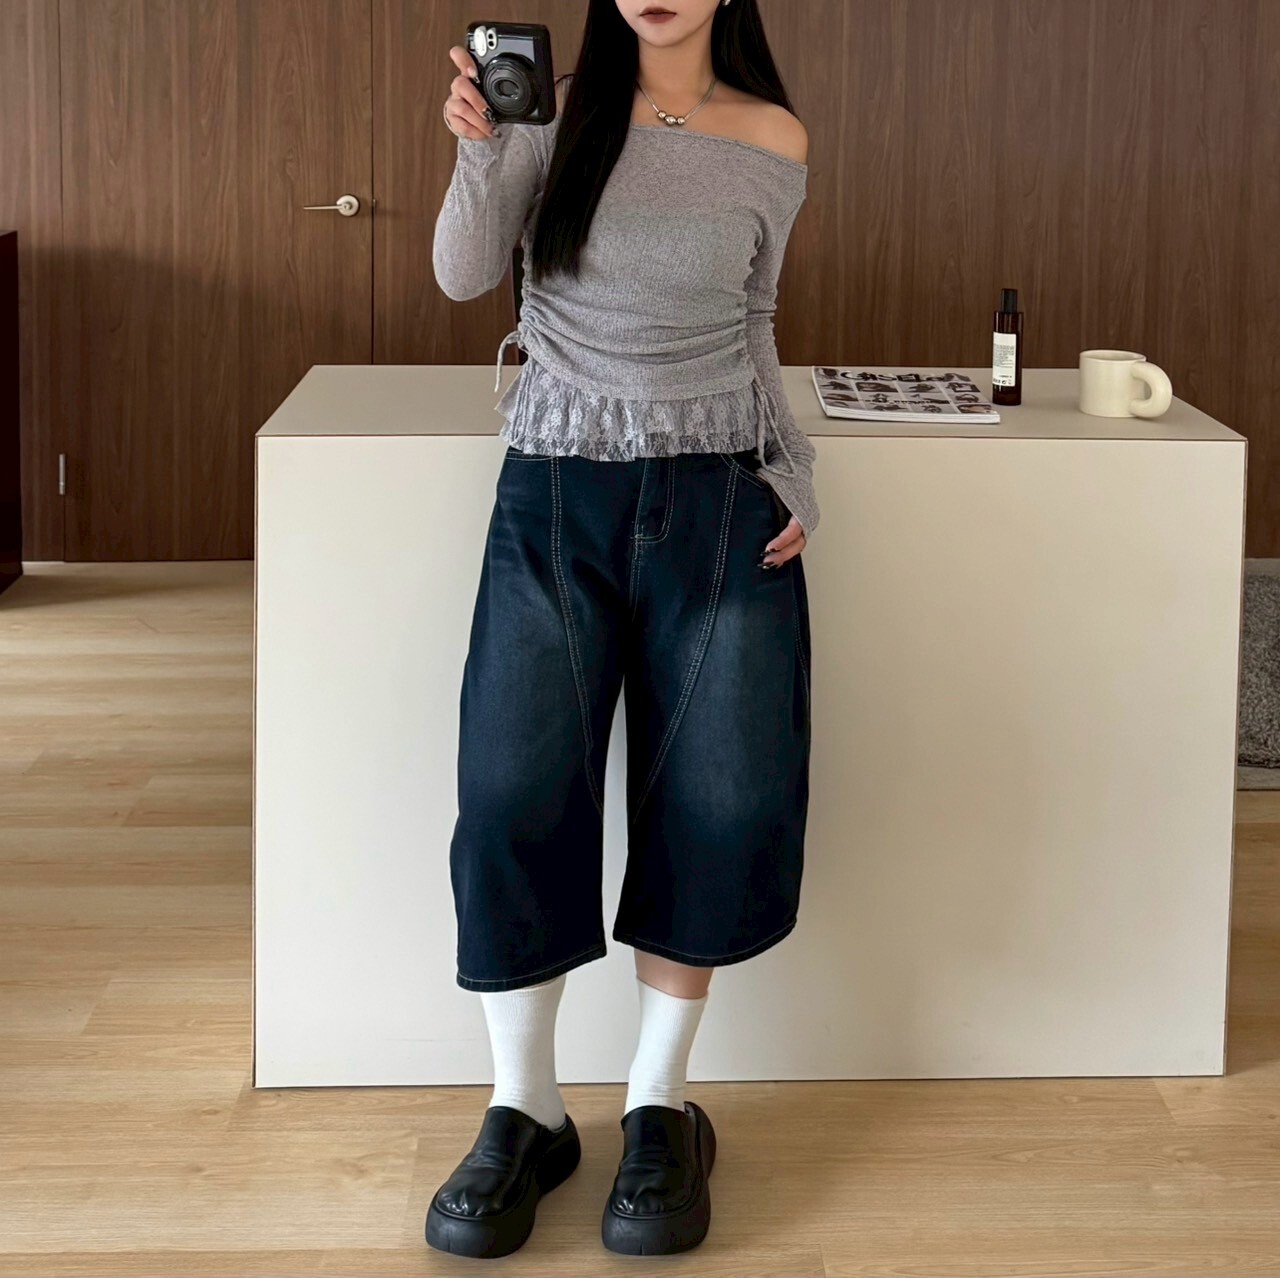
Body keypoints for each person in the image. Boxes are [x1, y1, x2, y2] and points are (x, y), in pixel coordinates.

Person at [425, 0, 815, 1259]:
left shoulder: (773, 136)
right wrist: (482, 149)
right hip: (553, 488)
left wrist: (794, 472)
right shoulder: (553, 115)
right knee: (510, 791)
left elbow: (753, 321)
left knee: (720, 801)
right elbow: (461, 273)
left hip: (720, 496)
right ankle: (525, 1109)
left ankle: (658, 1103)